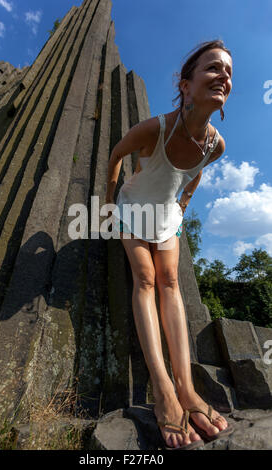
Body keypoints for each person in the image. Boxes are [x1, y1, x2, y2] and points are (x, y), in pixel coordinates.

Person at [106, 40, 234, 450]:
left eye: (228, 72)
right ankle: (163, 388)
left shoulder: (216, 145)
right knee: (145, 279)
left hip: (167, 218)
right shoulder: (153, 128)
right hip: (132, 208)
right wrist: (109, 205)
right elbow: (115, 156)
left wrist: (184, 204)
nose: (224, 77)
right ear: (185, 84)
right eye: (213, 68)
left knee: (171, 283)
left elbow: (194, 173)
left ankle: (187, 387)